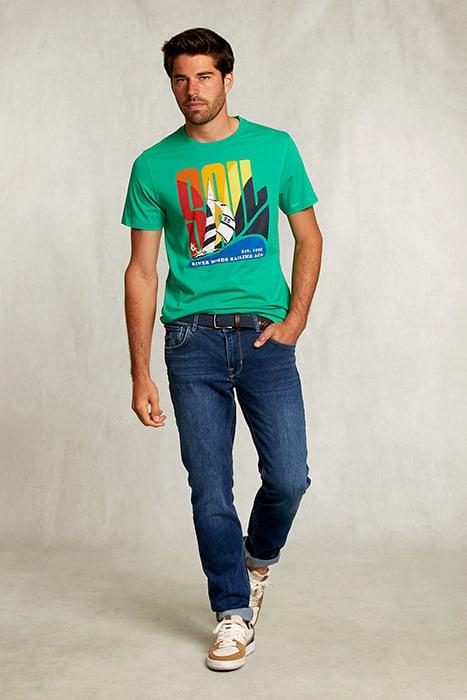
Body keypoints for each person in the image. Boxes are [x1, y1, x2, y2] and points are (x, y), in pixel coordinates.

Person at [120, 27, 323, 672]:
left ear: (227, 79)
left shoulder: (275, 147)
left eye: (204, 76)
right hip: (191, 341)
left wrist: (295, 319)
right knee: (210, 488)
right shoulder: (153, 165)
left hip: (264, 337)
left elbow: (310, 237)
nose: (192, 90)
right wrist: (140, 372)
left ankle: (256, 561)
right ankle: (232, 611)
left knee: (289, 477)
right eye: (180, 79)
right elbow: (142, 272)